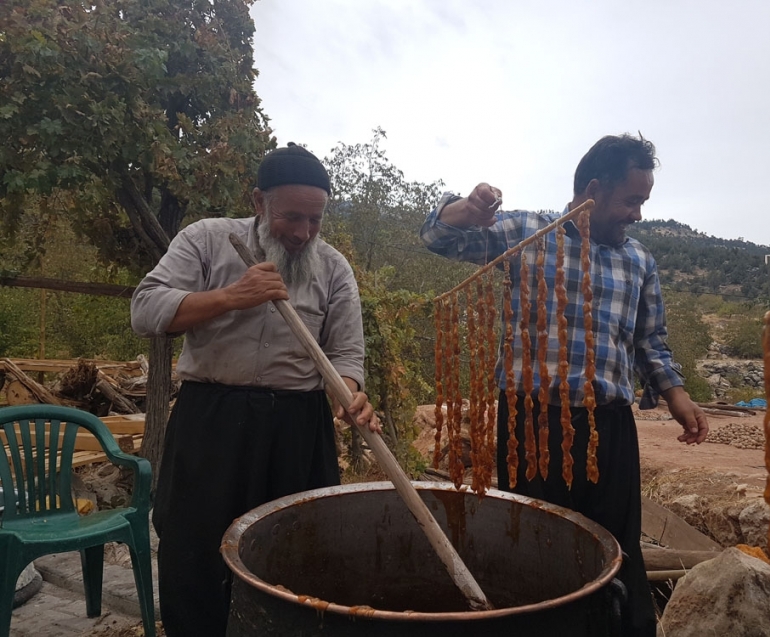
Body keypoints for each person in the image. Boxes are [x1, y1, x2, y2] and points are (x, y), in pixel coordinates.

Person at [420, 134, 709, 637]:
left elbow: (651, 343)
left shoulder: (640, 261)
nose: (638, 214)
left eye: (644, 201)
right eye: (632, 201)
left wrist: (677, 397)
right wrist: (462, 210)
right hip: (530, 425)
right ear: (592, 190)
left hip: (609, 427)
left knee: (616, 547)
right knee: (534, 543)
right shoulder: (527, 234)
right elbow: (438, 238)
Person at [131, 142, 379, 637]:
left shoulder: (332, 267)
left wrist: (348, 391)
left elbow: (346, 355)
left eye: (314, 220)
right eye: (291, 217)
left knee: (298, 551)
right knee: (194, 549)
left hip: (297, 428)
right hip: (211, 421)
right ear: (258, 202)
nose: (302, 233)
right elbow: (145, 310)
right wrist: (230, 297)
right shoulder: (206, 240)